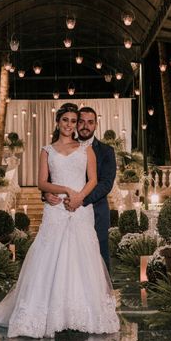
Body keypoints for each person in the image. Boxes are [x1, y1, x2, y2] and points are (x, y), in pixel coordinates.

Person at [0, 103, 119, 338]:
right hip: (56, 209)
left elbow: (97, 181)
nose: (71, 125)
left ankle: (84, 312)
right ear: (58, 122)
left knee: (85, 258)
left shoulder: (89, 150)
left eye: (74, 121)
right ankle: (47, 313)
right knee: (50, 255)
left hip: (82, 209)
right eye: (66, 120)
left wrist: (78, 198)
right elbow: (42, 182)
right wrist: (59, 190)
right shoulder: (47, 150)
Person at [45, 106, 116, 270]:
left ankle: (102, 294)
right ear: (76, 124)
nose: (85, 126)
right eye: (81, 122)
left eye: (90, 122)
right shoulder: (57, 148)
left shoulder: (106, 151)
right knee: (65, 261)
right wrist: (46, 193)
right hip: (62, 210)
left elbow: (106, 184)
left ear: (96, 125)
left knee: (98, 260)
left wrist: (80, 200)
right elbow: (50, 177)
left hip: (96, 212)